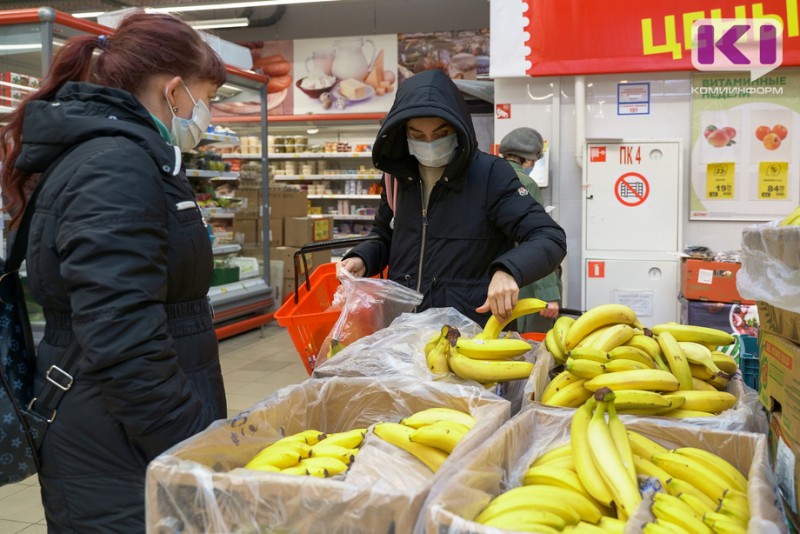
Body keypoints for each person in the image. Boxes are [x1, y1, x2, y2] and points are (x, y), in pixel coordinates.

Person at [0, 12, 227, 532]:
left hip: (115, 430)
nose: (206, 113)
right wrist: (191, 442)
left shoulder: (124, 155)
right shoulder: (115, 166)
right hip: (118, 442)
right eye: (206, 97)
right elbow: (122, 332)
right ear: (174, 90)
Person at [340, 69, 567, 326]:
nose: (429, 142)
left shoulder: (491, 174)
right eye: (417, 135)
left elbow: (549, 236)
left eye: (440, 133)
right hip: (401, 328)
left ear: (459, 128)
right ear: (402, 133)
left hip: (469, 334)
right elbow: (385, 235)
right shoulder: (397, 177)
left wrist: (508, 270)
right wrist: (363, 256)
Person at [498, 127, 562, 332]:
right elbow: (535, 240)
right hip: (525, 282)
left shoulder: (491, 177)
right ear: (527, 160)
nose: (532, 167)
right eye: (533, 162)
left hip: (497, 278)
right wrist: (548, 294)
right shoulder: (524, 182)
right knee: (530, 347)